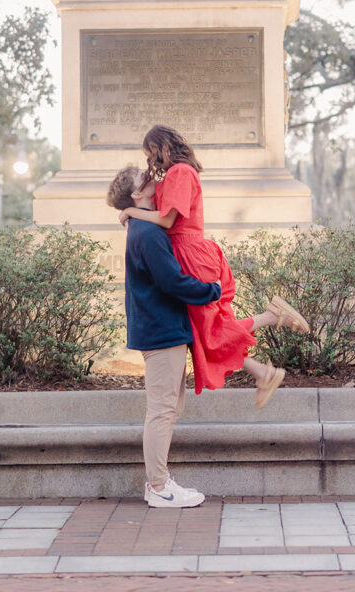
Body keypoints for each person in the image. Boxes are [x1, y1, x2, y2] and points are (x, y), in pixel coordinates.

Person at [117, 124, 310, 406]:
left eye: (150, 153)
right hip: (186, 252)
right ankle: (264, 367)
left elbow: (169, 220)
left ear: (160, 147)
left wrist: (131, 211)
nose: (150, 162)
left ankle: (270, 326)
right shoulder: (174, 174)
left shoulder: (180, 172)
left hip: (190, 252)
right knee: (204, 331)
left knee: (210, 331)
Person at [106, 164, 222, 508]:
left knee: (169, 408)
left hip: (161, 329)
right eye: (146, 179)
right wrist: (211, 290)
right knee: (161, 410)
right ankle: (158, 487)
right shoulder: (147, 232)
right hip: (160, 331)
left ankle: (160, 483)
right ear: (137, 195)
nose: (154, 179)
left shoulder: (144, 226)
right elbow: (170, 281)